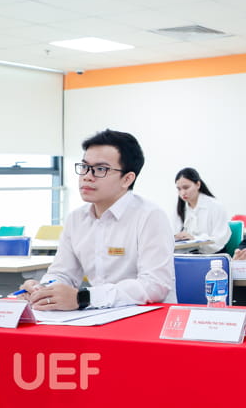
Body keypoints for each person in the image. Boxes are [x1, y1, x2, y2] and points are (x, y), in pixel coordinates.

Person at [19, 129, 175, 310]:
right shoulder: (76, 218)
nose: (87, 176)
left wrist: (84, 298)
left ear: (127, 179)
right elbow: (63, 273)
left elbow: (155, 285)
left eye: (100, 169)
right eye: (84, 167)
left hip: (147, 315)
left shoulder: (150, 216)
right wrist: (43, 289)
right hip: (97, 314)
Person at [173, 167, 230, 254]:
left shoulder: (215, 206)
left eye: (186, 187)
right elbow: (174, 232)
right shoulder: (179, 208)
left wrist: (194, 239)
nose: (182, 193)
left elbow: (219, 240)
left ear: (198, 184)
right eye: (179, 189)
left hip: (213, 255)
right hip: (188, 254)